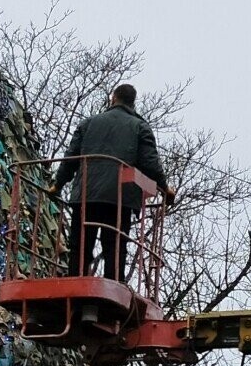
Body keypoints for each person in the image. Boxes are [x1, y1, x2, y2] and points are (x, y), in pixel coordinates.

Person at [51, 83, 175, 281]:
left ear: (113, 98)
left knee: (81, 245)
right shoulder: (140, 127)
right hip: (119, 198)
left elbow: (71, 158)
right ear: (133, 103)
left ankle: (75, 281)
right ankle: (114, 283)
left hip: (86, 195)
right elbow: (150, 162)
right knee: (115, 246)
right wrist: (164, 187)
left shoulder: (88, 123)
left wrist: (58, 184)